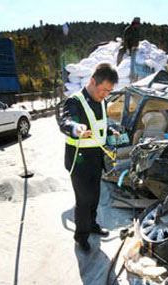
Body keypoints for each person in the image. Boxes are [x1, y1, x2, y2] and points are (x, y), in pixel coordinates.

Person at [58, 63, 119, 252]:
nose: (105, 95)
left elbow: (100, 125)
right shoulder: (75, 101)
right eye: (104, 90)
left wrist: (111, 131)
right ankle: (81, 237)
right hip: (79, 160)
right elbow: (66, 121)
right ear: (93, 82)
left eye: (109, 91)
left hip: (95, 159)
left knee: (94, 198)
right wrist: (76, 128)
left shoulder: (102, 101)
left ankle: (91, 225)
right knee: (83, 201)